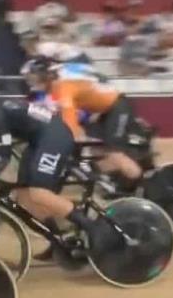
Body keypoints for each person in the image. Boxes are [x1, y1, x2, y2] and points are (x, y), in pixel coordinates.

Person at [0, 78, 104, 264]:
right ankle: (59, 241)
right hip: (38, 140)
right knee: (25, 199)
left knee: (39, 193)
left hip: (54, 136)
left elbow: (3, 157)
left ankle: (93, 229)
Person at [24, 56, 153, 197]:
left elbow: (70, 128)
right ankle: (111, 180)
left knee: (114, 152)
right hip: (103, 108)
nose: (32, 82)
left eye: (35, 77)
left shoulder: (61, 87)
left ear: (47, 75)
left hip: (116, 106)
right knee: (95, 149)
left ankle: (144, 187)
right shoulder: (62, 76)